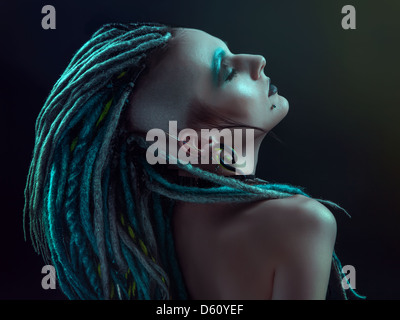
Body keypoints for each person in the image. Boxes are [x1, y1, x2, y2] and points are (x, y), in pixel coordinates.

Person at [23, 22, 363, 300]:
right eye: (226, 73)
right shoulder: (303, 222)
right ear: (194, 144)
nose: (256, 60)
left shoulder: (146, 238)